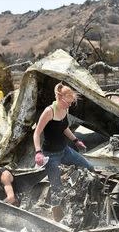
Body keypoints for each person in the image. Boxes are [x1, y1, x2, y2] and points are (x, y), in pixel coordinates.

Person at [33, 82, 94, 221]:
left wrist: (75, 140)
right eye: (69, 102)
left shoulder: (65, 110)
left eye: (72, 102)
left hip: (65, 150)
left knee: (89, 167)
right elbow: (36, 133)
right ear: (60, 98)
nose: (70, 105)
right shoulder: (49, 111)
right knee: (56, 188)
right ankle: (57, 220)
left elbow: (64, 128)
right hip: (51, 155)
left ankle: (83, 201)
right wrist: (38, 152)